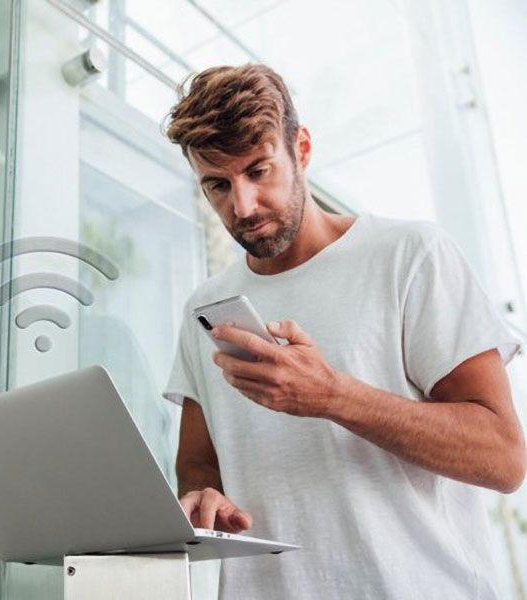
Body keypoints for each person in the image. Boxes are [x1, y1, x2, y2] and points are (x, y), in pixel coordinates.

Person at [163, 64, 525, 599]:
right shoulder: (205, 306)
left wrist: (333, 396)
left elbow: (503, 458)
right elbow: (198, 463)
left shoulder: (409, 256)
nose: (241, 206)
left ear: (301, 149)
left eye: (259, 171)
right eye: (217, 185)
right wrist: (202, 496)